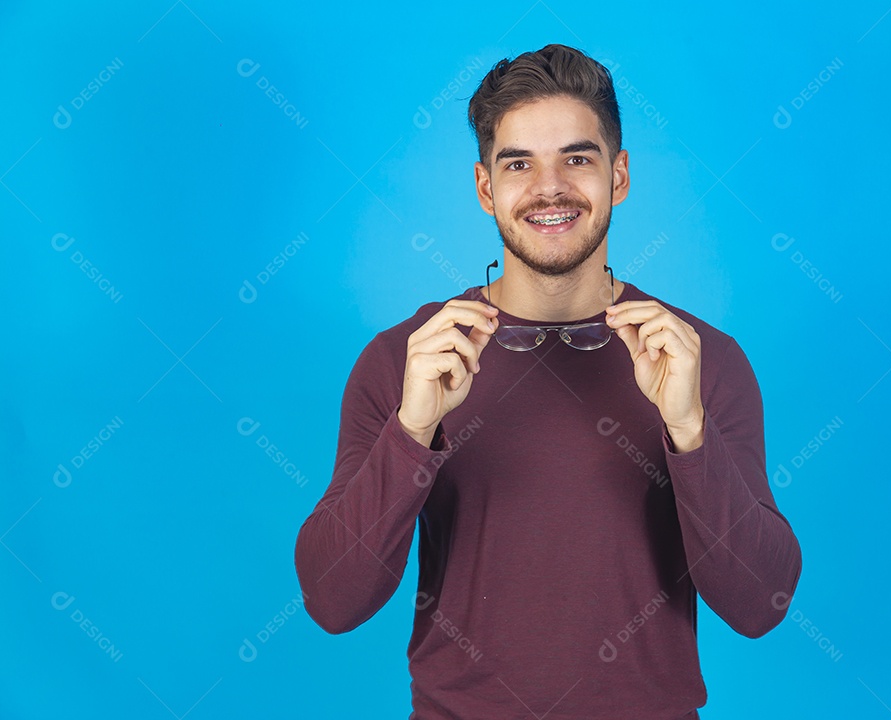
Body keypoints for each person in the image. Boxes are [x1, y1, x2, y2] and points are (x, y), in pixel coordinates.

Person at [294, 43, 802, 719]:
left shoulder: (701, 358)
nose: (550, 188)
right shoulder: (406, 360)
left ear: (618, 176)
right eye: (518, 164)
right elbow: (333, 600)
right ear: (485, 188)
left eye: (577, 158)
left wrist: (689, 434)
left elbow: (759, 603)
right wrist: (412, 430)